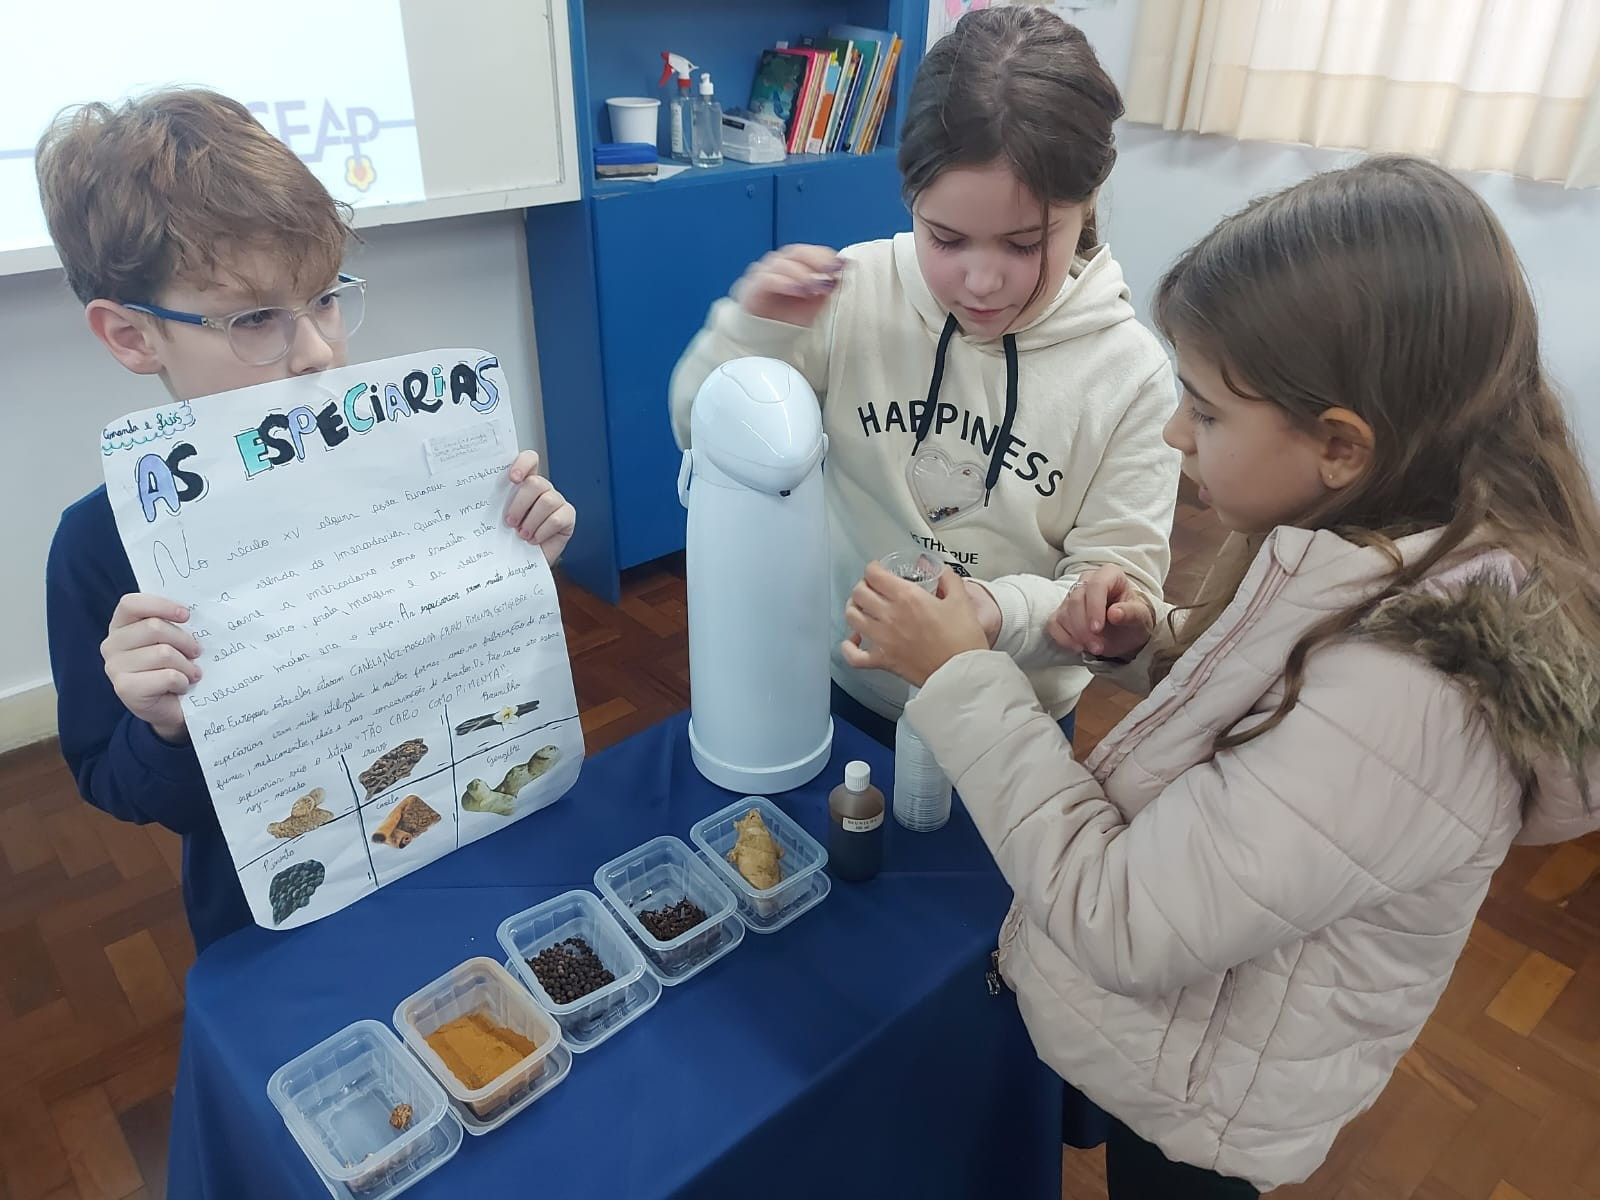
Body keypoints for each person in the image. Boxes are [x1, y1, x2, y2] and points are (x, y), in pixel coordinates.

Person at [842, 155, 1600, 1196]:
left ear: (1341, 444)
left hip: (1209, 1100)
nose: (1173, 432)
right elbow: (1276, 697)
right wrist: (1148, 643)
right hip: (1186, 1038)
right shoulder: (1368, 543)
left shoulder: (1415, 700)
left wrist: (963, 678)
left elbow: (1121, 918)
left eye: (1203, 410)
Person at [38, 89, 576, 951]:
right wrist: (165, 728)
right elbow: (115, 784)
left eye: (325, 298)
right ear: (133, 337)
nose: (320, 350)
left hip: (470, 833)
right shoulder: (95, 549)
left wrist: (509, 561)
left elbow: (470, 669)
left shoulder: (410, 464)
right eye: (256, 318)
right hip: (287, 906)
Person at [670, 6, 1178, 750]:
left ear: (1087, 203)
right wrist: (756, 329)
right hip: (843, 685)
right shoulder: (854, 292)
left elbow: (1118, 582)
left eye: (1024, 244)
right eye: (946, 238)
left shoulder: (1129, 374)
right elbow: (699, 430)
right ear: (910, 197)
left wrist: (1000, 613)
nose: (981, 280)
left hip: (1008, 719)